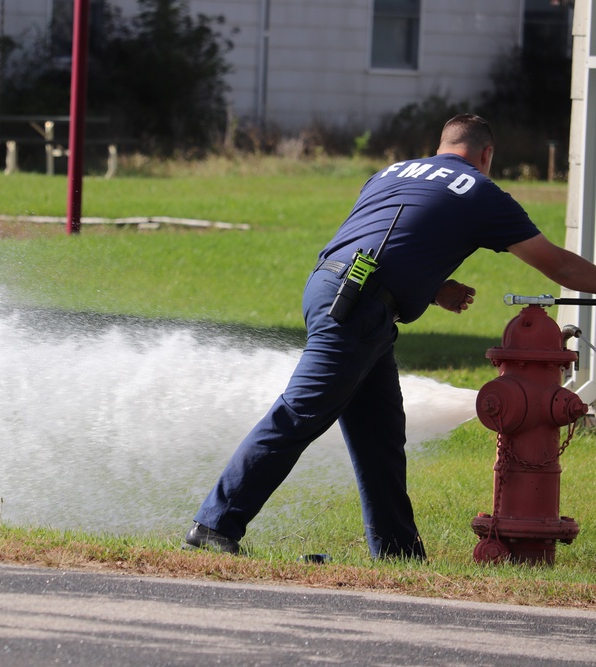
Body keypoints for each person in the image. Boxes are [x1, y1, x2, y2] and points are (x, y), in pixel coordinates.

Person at [184, 113, 596, 559]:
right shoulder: (480, 190)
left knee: (380, 434)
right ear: (486, 154)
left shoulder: (391, 172)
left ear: (442, 146)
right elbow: (561, 267)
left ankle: (398, 554)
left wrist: (435, 290)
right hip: (360, 307)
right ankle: (215, 525)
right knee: (300, 413)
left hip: (333, 287)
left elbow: (381, 236)